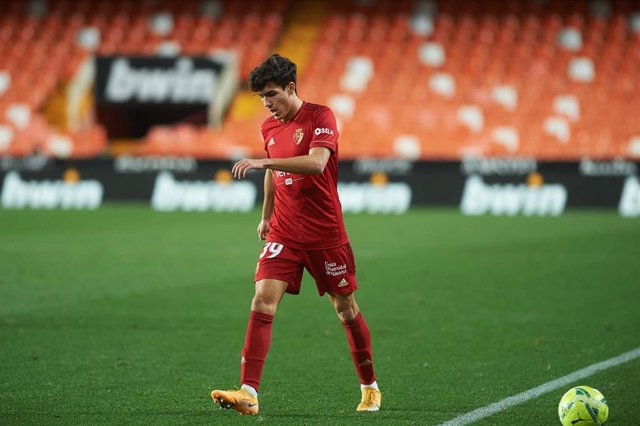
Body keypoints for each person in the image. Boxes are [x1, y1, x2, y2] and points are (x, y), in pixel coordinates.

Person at [211, 54, 381, 415]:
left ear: (291, 87)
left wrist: (264, 163)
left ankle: (370, 387)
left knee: (345, 309)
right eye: (261, 98)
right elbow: (273, 173)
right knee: (261, 299)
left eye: (272, 94)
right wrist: (266, 215)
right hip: (285, 231)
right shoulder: (268, 129)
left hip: (324, 234)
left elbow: (317, 163)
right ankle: (249, 393)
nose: (267, 104)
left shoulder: (321, 117)